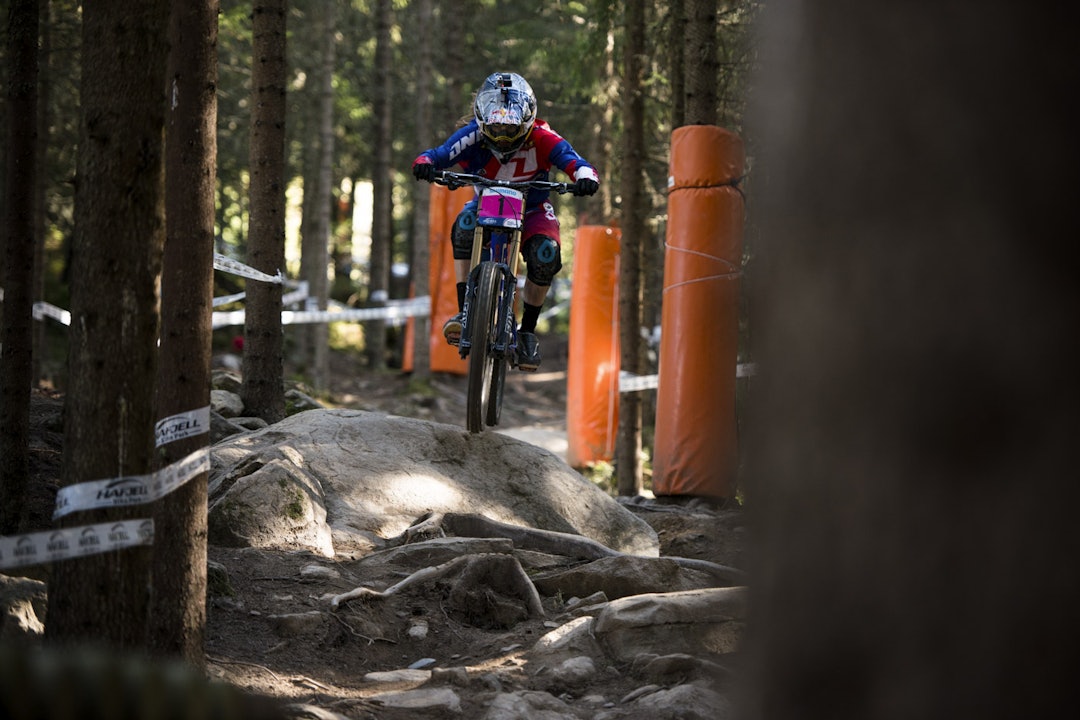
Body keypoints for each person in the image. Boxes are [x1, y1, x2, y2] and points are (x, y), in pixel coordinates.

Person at [412, 71, 599, 371]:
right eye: (496, 124)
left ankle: (527, 333)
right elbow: (441, 154)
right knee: (463, 228)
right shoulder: (473, 134)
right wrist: (425, 163)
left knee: (545, 255)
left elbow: (574, 160)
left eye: (509, 125)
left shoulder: (543, 137)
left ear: (525, 120)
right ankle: (465, 312)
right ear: (483, 117)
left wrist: (585, 177)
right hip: (486, 204)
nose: (501, 133)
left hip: (534, 208)